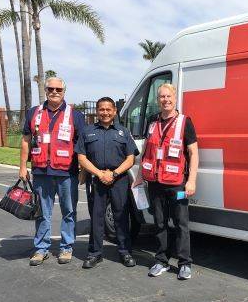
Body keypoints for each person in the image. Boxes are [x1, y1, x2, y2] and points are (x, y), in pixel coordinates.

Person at [132, 83, 199, 280]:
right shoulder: (152, 121)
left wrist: (192, 180)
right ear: (157, 100)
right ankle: (161, 260)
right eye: (161, 97)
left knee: (181, 223)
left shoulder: (185, 122)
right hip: (155, 183)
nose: (165, 100)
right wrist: (138, 176)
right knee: (159, 223)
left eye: (168, 96)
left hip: (177, 182)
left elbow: (194, 152)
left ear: (175, 97)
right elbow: (147, 150)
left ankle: (184, 262)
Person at [20, 77, 85, 266]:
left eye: (58, 89)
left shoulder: (75, 115)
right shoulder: (34, 113)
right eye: (51, 88)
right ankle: (41, 249)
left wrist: (83, 170)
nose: (54, 92)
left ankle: (66, 247)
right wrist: (23, 166)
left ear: (64, 91)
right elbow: (25, 140)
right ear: (46, 90)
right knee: (42, 213)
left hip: (67, 172)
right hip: (41, 172)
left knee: (69, 211)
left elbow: (82, 143)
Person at [75, 97, 139, 268]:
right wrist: (99, 173)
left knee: (121, 216)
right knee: (96, 218)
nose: (105, 112)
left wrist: (114, 173)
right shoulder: (87, 132)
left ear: (114, 111)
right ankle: (95, 253)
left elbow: (131, 158)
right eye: (101, 109)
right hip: (96, 179)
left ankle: (125, 252)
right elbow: (81, 157)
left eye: (108, 109)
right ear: (97, 111)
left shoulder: (123, 132)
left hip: (119, 179)